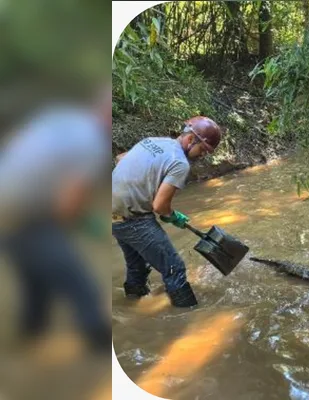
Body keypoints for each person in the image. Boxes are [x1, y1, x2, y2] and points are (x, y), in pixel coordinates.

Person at [0, 87, 112, 353]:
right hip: (28, 214)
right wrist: (82, 224)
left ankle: (29, 337)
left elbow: (15, 144)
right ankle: (100, 348)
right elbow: (68, 202)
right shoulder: (93, 141)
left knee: (34, 278)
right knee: (81, 285)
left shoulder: (58, 115)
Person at [111, 116, 222, 308]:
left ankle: (131, 307)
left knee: (137, 266)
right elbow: (160, 207)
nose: (202, 155)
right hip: (134, 220)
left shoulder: (152, 141)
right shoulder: (180, 163)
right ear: (190, 139)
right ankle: (189, 316)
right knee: (174, 268)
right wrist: (173, 216)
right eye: (203, 149)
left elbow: (120, 158)